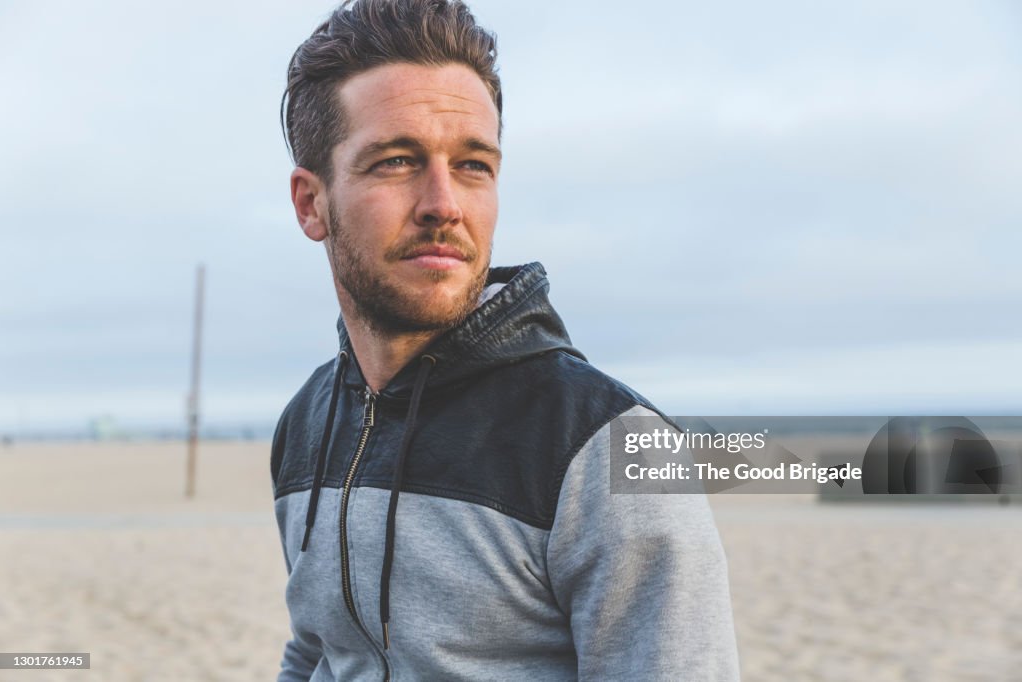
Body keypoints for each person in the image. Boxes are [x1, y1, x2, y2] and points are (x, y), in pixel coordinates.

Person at [271, 0, 740, 679]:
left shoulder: (608, 453)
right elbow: (317, 647)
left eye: (472, 165)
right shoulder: (307, 425)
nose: (444, 204)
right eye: (398, 161)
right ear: (312, 204)